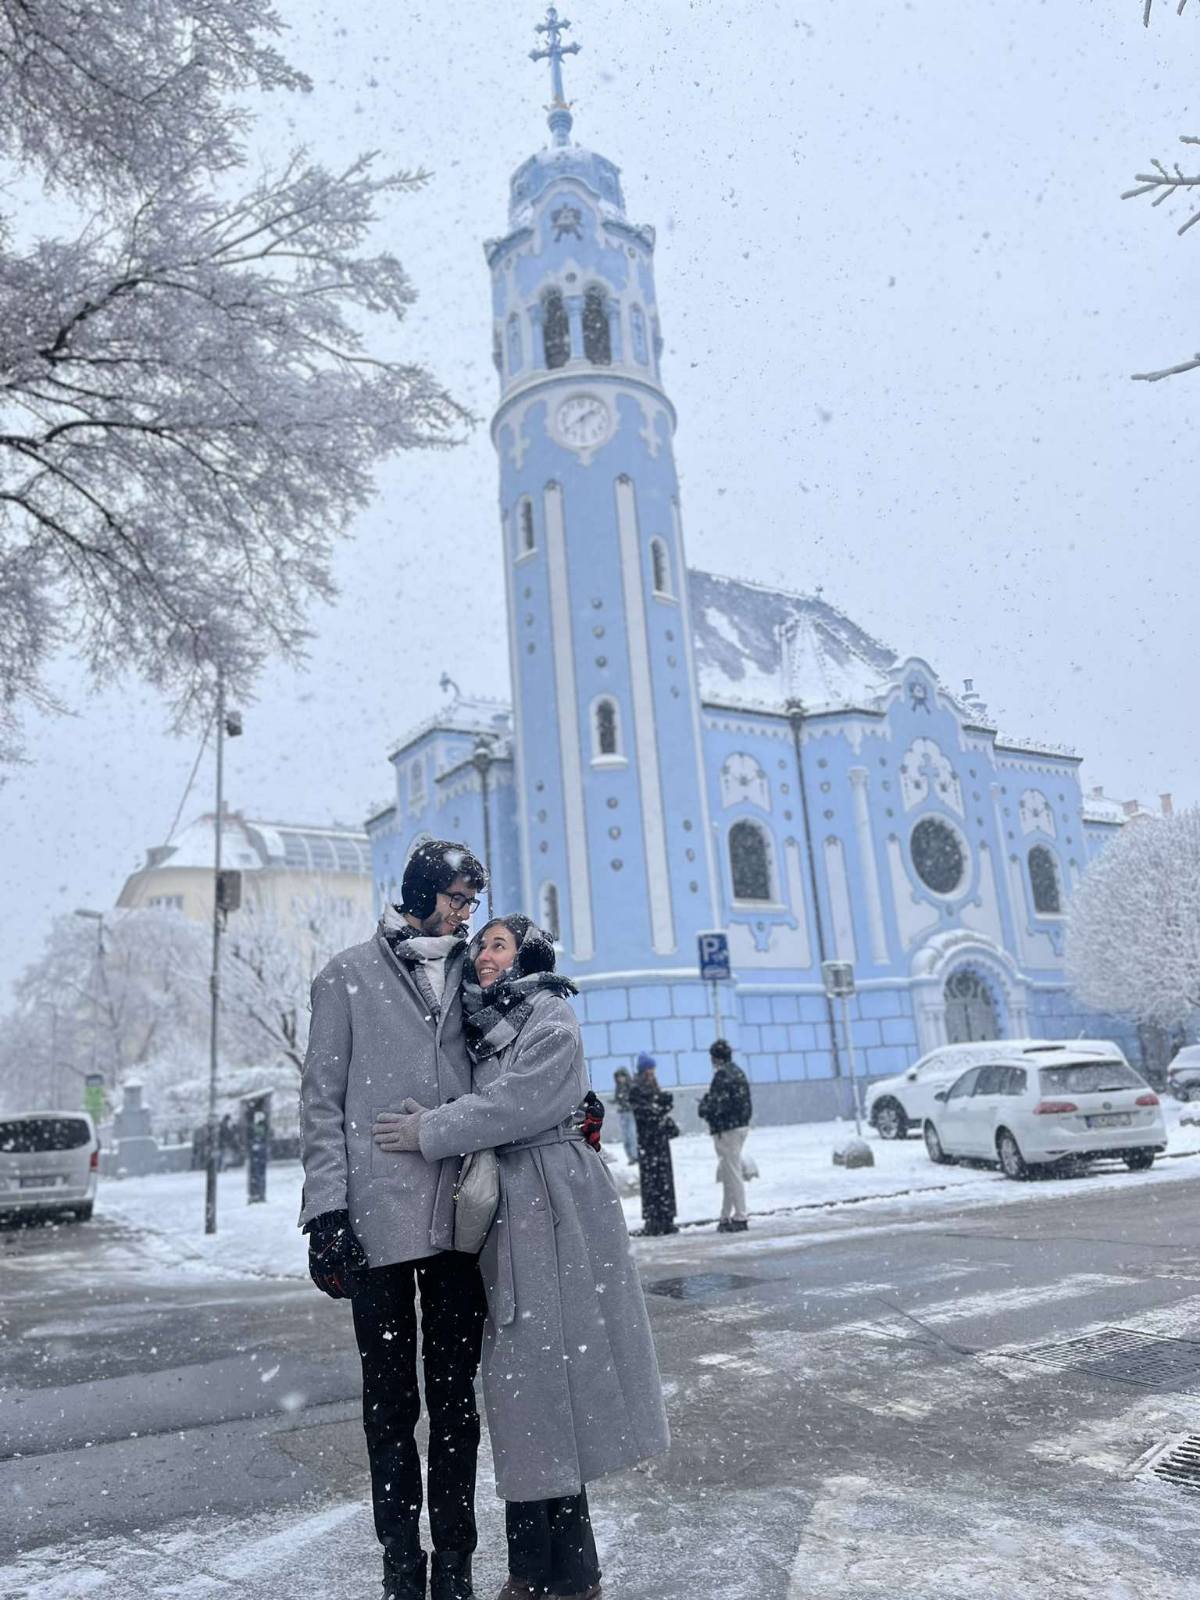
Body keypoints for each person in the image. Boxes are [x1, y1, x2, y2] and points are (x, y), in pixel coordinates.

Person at [373, 916, 670, 1600]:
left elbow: (514, 1104)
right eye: (481, 944)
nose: (483, 954)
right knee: (527, 1397)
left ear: (527, 957)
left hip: (556, 1207)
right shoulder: (482, 1026)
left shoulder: (549, 1016)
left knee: (545, 1389)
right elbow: (485, 1102)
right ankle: (557, 1569)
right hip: (513, 1210)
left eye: (498, 944)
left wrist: (431, 1129)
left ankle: (547, 1572)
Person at [299, 839, 490, 1600]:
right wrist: (325, 1213)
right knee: (389, 1409)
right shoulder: (345, 976)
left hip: (457, 1220)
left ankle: (456, 1564)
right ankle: (401, 1566)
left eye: (471, 902)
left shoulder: (477, 975)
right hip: (375, 1225)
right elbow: (321, 1103)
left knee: (456, 1406)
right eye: (455, 898)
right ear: (419, 892)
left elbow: (514, 1060)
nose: (464, 914)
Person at [697, 1039, 754, 1234]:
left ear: (716, 1058)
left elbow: (717, 1105)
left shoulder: (722, 1076)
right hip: (740, 1126)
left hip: (726, 1129)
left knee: (732, 1173)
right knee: (729, 1172)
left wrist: (704, 1106)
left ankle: (740, 1216)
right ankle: (725, 1215)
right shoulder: (737, 1072)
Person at [628, 1053, 678, 1237]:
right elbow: (645, 1113)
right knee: (652, 1181)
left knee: (664, 1180)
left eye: (653, 1069)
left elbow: (657, 1111)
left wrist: (664, 1106)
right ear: (643, 1070)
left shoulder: (653, 1086)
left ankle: (667, 1218)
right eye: (649, 1069)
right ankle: (654, 1220)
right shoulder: (636, 1089)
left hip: (660, 1141)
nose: (651, 1072)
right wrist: (661, 1106)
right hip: (648, 1142)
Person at [611, 1066, 638, 1164]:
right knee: (626, 1137)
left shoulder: (631, 1087)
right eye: (618, 1077)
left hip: (631, 1113)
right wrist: (615, 1101)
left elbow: (635, 1099)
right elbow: (618, 1098)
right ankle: (631, 1157)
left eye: (622, 1076)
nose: (620, 1079)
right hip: (622, 1113)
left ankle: (635, 1156)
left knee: (632, 1135)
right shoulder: (618, 1087)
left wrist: (628, 1103)